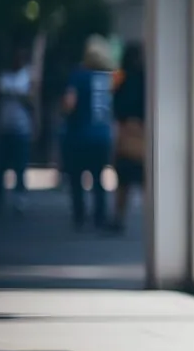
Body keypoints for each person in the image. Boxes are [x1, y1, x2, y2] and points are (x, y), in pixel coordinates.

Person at [62, 35, 115, 230]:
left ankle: (79, 216)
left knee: (77, 178)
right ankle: (100, 217)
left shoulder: (78, 75)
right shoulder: (109, 78)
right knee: (98, 178)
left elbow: (69, 103)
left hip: (79, 135)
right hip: (102, 135)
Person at [0, 48, 34, 218]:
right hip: (4, 127)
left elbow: (31, 98)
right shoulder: (3, 76)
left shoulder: (27, 76)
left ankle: (19, 198)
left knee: (20, 165)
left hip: (21, 128)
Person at [109, 42, 145, 233]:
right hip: (143, 132)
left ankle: (118, 217)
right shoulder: (147, 78)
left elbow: (115, 106)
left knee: (123, 181)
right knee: (146, 179)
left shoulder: (121, 78)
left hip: (125, 133)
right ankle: (158, 219)